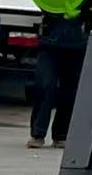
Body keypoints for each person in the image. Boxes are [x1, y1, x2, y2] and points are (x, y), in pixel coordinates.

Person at [28, 11, 86, 149]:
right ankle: (38, 133)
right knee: (45, 86)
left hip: (76, 45)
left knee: (70, 92)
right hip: (50, 43)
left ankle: (61, 135)